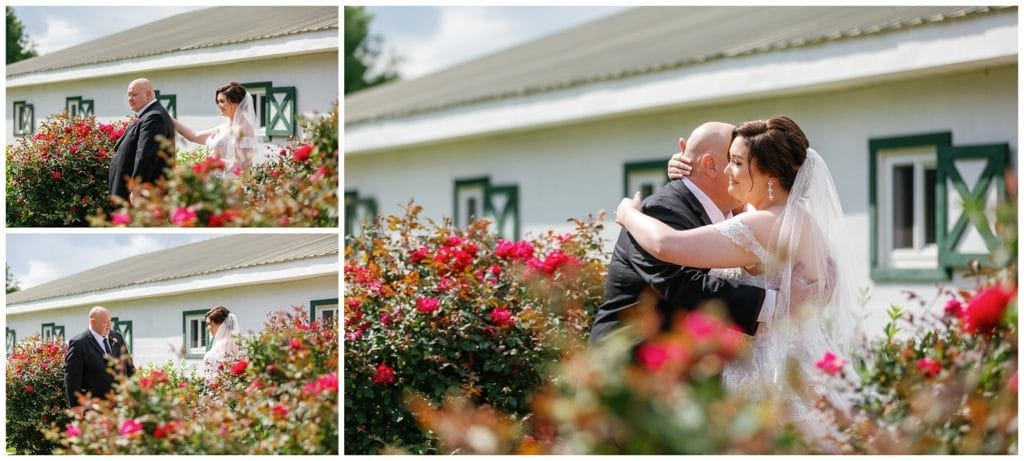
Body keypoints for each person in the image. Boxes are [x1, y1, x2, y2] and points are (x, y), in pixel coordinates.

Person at [615, 116, 864, 449]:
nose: (726, 171)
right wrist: (686, 166)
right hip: (802, 357)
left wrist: (629, 214)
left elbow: (667, 246)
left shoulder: (761, 225)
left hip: (770, 369)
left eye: (736, 163)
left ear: (769, 177)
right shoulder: (795, 218)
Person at [589, 121, 774, 346]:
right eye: (736, 161)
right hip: (630, 361)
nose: (744, 171)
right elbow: (681, 285)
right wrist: (773, 304)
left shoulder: (740, 213)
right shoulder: (660, 211)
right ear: (711, 166)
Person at [108, 78, 175, 205]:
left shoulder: (154, 117)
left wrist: (136, 188)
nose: (130, 99)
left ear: (148, 94)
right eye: (129, 95)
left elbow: (145, 156)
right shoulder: (146, 115)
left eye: (134, 94)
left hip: (140, 197)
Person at [172, 82, 258, 180]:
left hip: (230, 183)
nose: (218, 105)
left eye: (222, 101)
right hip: (214, 180)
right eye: (217, 102)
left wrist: (214, 162)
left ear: (235, 102)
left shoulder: (244, 128)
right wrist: (170, 119)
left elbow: (243, 165)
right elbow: (194, 136)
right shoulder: (222, 128)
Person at [64, 306, 135, 416]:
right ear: (93, 322)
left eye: (110, 321)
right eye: (105, 322)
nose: (109, 325)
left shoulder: (117, 337)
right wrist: (76, 405)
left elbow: (129, 366)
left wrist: (133, 391)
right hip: (94, 407)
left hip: (121, 404)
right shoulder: (79, 343)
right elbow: (72, 377)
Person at [200, 306, 242, 382]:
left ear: (221, 324)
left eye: (209, 324)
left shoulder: (223, 343)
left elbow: (221, 372)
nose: (208, 328)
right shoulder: (236, 342)